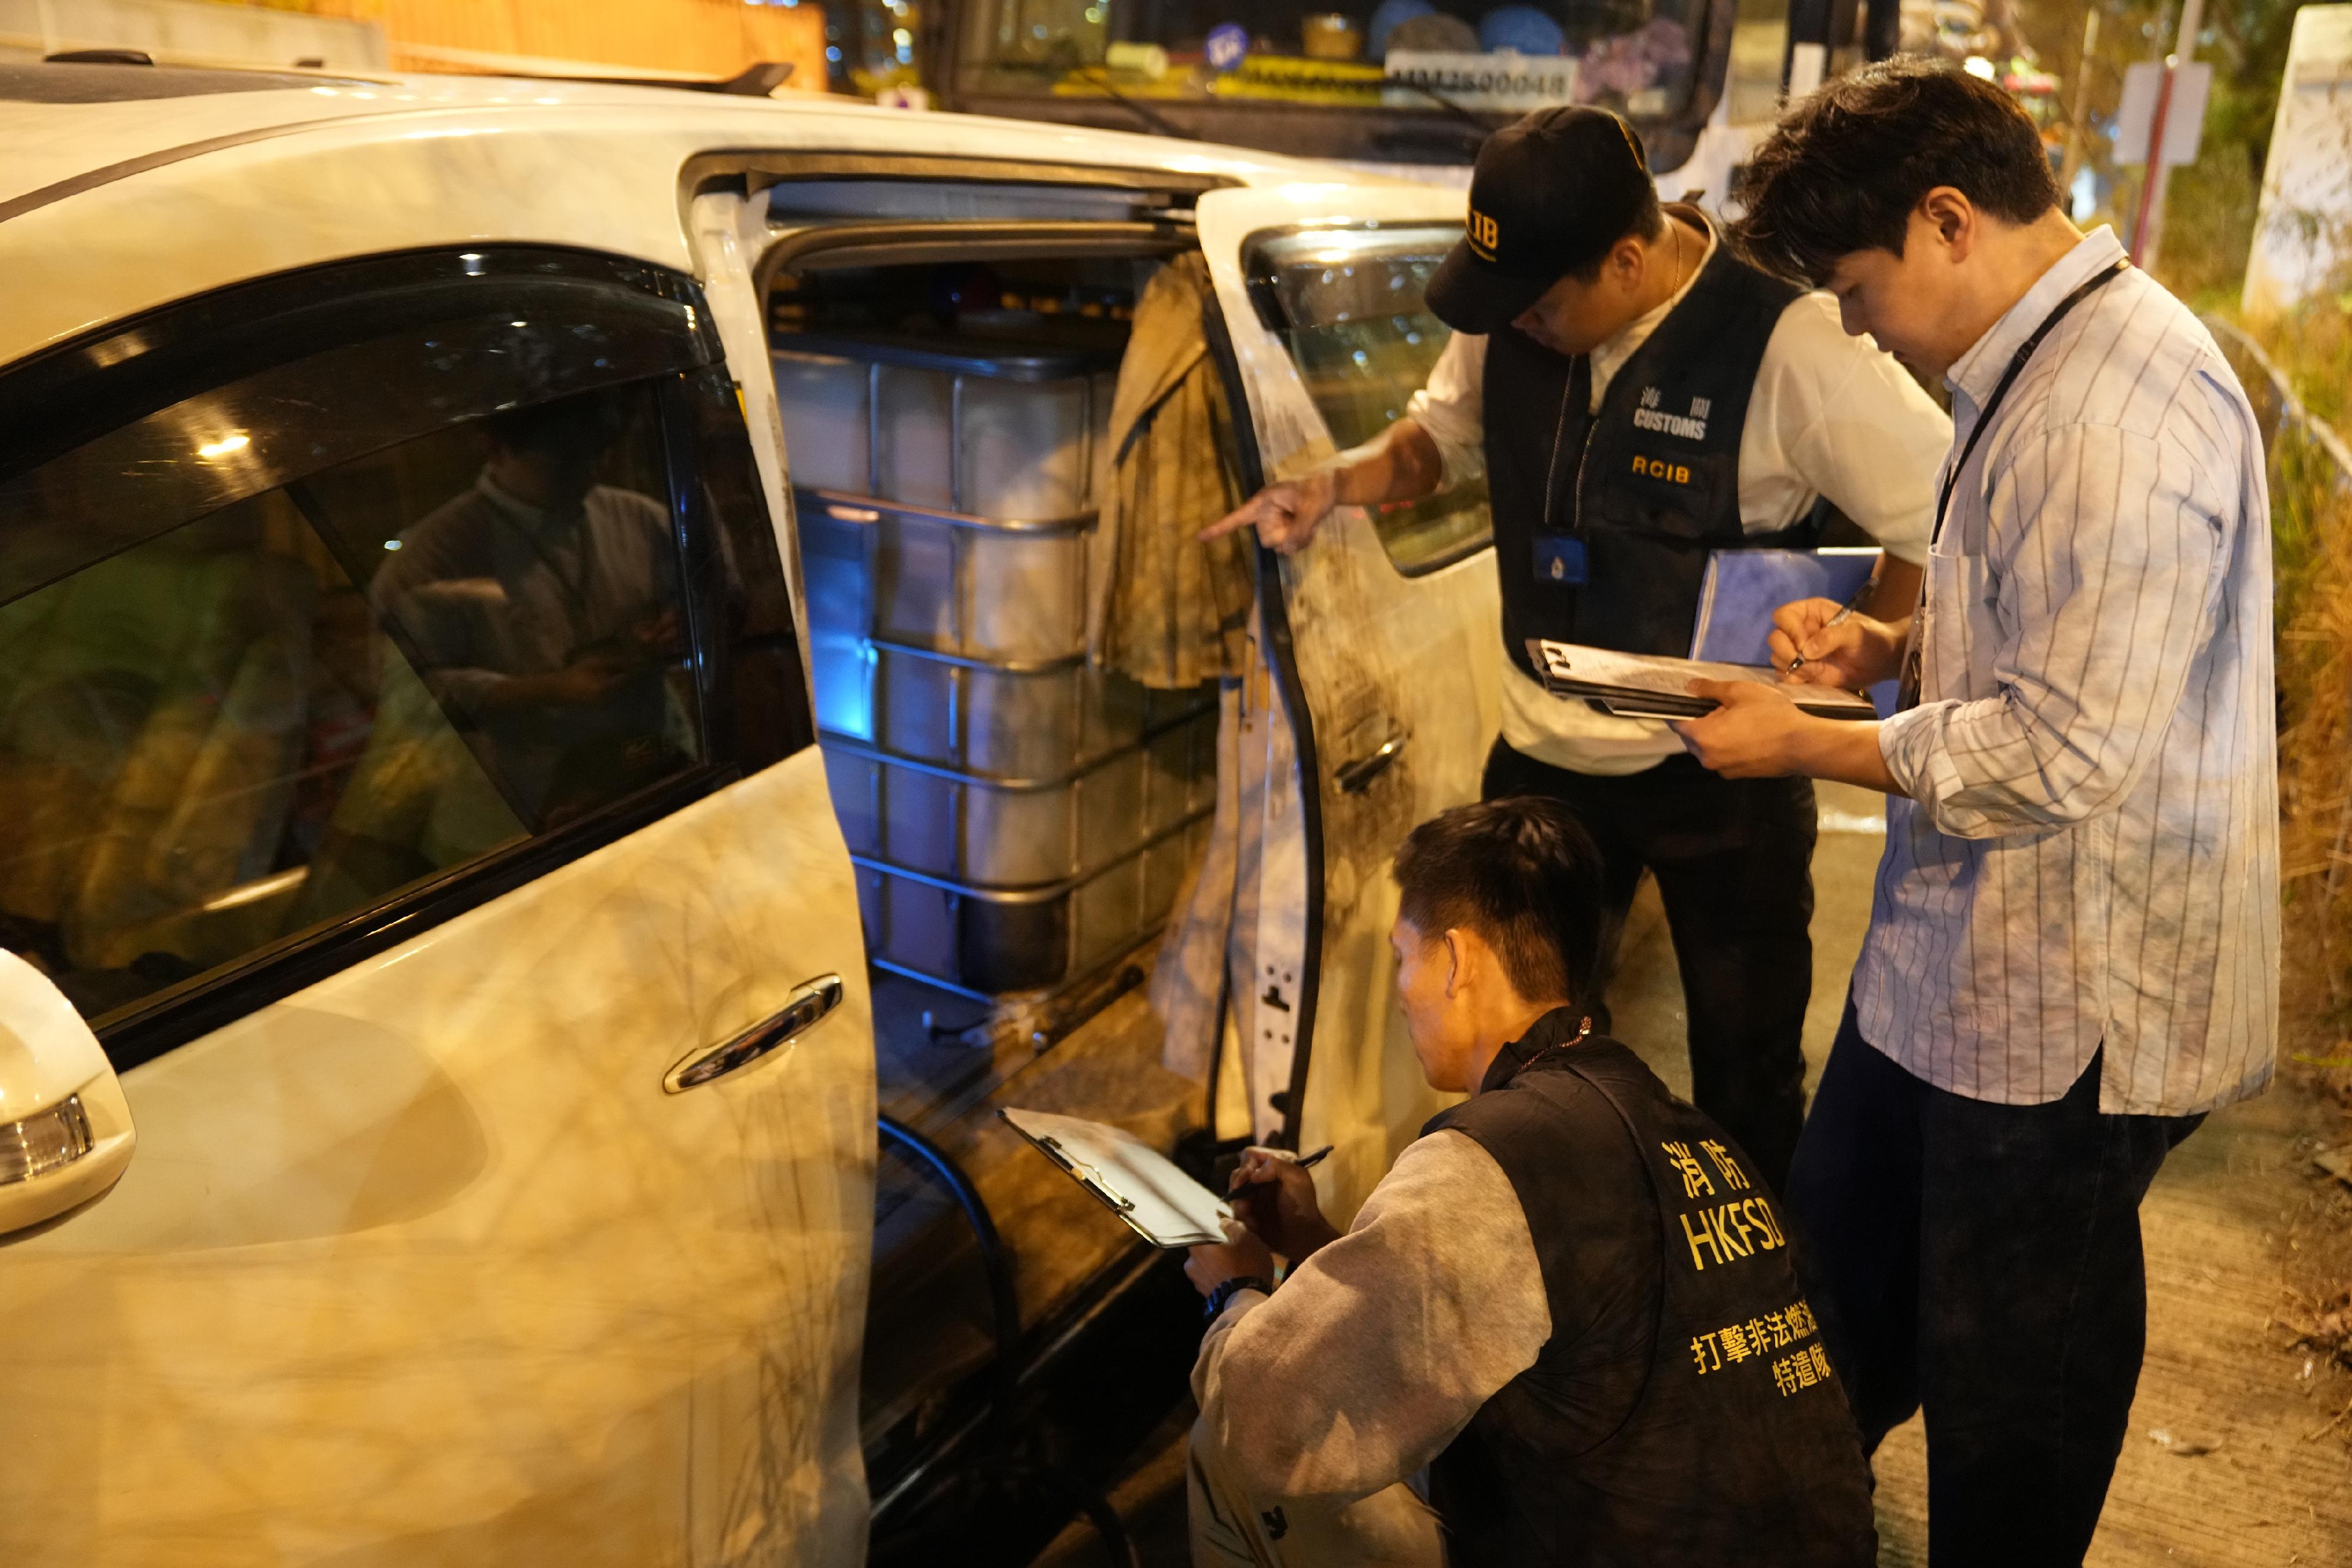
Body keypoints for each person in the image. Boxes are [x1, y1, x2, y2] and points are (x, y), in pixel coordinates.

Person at [1672, 59, 2278, 1563]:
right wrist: (1886, 648)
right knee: (1826, 1314)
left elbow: (2070, 749)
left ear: (1946, 221)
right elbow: (2039, 636)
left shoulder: (2115, 415)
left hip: (2069, 1015)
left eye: (1857, 285)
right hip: (1946, 972)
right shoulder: (2029, 366)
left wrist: (1809, 740)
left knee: (2014, 1400)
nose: (1856, 323)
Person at [1204, 105, 1952, 1194]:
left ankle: (1739, 1327)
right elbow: (1438, 439)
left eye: (1545, 303)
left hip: (1723, 774)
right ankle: (1548, 1279)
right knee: (1517, 1071)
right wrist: (1334, 484)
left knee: (1744, 1080)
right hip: (1545, 760)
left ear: (1631, 257)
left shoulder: (1790, 342)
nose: (1521, 326)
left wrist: (1869, 649)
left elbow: (1936, 510)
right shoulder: (1513, 307)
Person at [1181, 796, 1876, 1567]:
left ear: (1456, 961)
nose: (1401, 988)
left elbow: (1266, 1424)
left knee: (1229, 1433)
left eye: (1403, 955)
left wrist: (1236, 1291)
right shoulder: (1675, 1124)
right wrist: (1315, 1244)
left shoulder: (1489, 1160)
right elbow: (1504, 1315)